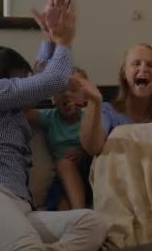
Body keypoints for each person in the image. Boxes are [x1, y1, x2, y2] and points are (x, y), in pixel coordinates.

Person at [0, 0, 108, 251]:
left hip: (19, 207)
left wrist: (50, 36)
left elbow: (40, 74)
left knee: (92, 223)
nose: (25, 89)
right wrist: (65, 41)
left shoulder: (10, 105)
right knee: (25, 245)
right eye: (18, 83)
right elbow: (49, 81)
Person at [79, 43, 152, 156]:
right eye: (136, 64)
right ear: (124, 74)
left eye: (151, 65)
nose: (144, 69)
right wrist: (94, 103)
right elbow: (92, 148)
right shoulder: (107, 111)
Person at [25, 67, 93, 211]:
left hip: (88, 172)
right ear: (53, 97)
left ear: (86, 97)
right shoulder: (50, 117)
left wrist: (83, 151)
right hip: (63, 181)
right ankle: (79, 218)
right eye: (60, 90)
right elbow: (23, 112)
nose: (67, 94)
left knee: (64, 164)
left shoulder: (89, 116)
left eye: (74, 89)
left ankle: (81, 214)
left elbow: (99, 142)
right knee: (61, 207)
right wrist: (38, 83)